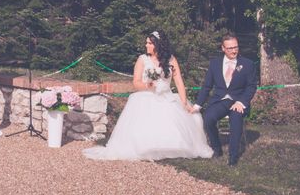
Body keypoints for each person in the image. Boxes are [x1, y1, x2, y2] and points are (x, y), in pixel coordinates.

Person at [83, 30, 213, 161]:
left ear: (158, 45)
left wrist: (184, 102)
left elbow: (179, 82)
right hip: (146, 95)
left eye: (150, 43)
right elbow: (136, 82)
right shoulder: (142, 59)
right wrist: (148, 86)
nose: (147, 45)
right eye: (147, 43)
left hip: (167, 96)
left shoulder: (171, 60)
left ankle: (171, 147)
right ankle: (146, 147)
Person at [191, 34, 257, 166]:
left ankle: (233, 157)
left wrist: (241, 102)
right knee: (208, 118)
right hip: (220, 101)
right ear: (223, 48)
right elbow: (207, 86)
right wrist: (198, 104)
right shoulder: (215, 64)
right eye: (230, 48)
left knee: (236, 119)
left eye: (236, 47)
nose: (234, 51)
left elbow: (251, 87)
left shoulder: (248, 64)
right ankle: (217, 149)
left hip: (238, 101)